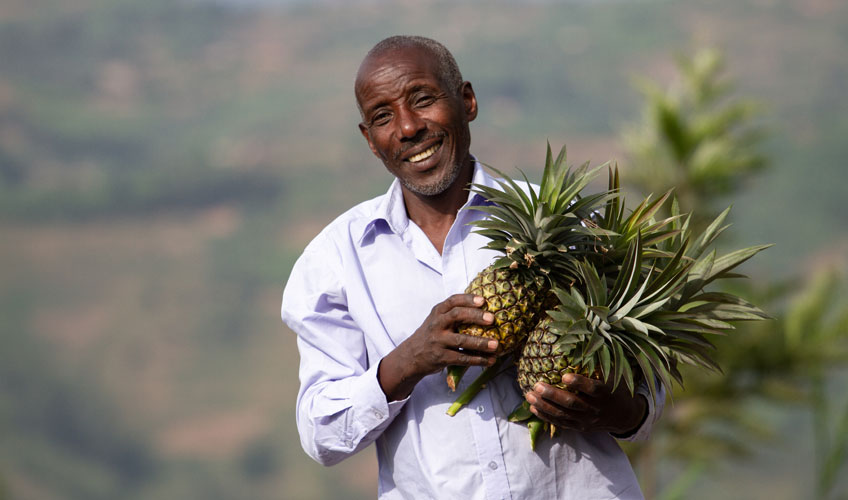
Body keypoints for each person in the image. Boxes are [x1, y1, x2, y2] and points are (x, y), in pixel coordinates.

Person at [282, 35, 663, 500]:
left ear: (467, 100)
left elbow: (648, 401)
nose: (407, 128)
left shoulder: (565, 222)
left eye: (422, 100)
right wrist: (409, 361)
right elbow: (321, 434)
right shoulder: (336, 259)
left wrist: (614, 410)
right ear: (370, 140)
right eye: (383, 116)